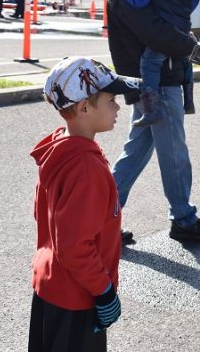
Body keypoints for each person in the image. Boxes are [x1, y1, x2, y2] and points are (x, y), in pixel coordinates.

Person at [106, 0, 200, 244]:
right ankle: (183, 218)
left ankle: (101, 220)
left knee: (135, 153)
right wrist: (191, 46)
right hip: (157, 81)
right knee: (174, 153)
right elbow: (153, 31)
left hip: (148, 82)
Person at [28, 56, 137, 351]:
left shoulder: (59, 147)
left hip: (50, 285)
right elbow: (76, 246)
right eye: (111, 99)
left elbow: (43, 215)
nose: (117, 107)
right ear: (84, 107)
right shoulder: (86, 168)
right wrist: (103, 292)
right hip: (77, 297)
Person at [119, 0, 199, 126]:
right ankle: (188, 100)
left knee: (149, 64)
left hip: (163, 38)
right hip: (182, 32)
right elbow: (194, 0)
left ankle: (151, 109)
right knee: (187, 62)